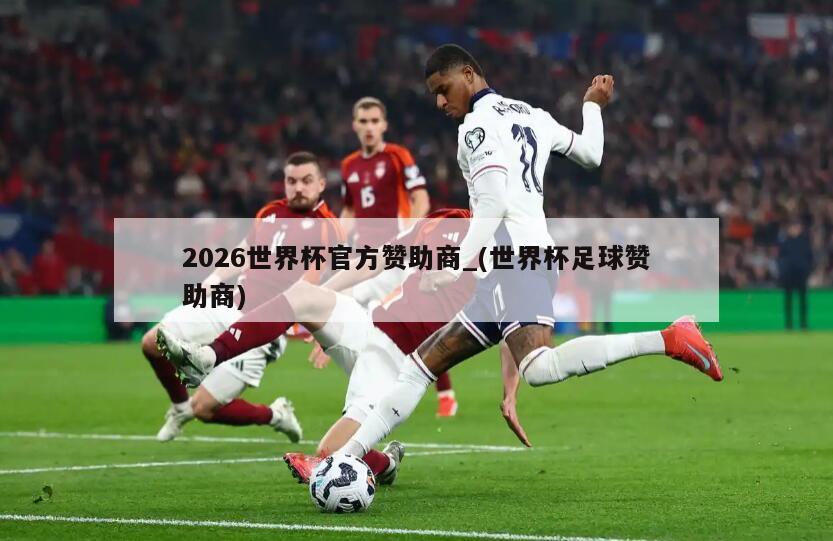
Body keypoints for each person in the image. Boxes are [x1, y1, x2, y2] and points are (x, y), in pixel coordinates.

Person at [326, 44, 724, 461]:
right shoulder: (533, 115)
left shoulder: (475, 127)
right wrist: (592, 106)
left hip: (513, 260)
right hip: (515, 263)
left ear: (468, 74)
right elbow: (591, 154)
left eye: (443, 89)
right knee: (418, 367)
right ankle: (344, 459)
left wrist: (454, 266)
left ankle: (669, 338)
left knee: (538, 367)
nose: (440, 102)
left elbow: (493, 202)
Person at [157, 209, 500, 484]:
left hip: (400, 363)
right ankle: (207, 356)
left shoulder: (503, 246)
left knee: (331, 451)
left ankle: (384, 464)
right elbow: (374, 259)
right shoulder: (443, 220)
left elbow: (509, 324)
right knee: (304, 295)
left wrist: (509, 390)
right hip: (369, 326)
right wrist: (325, 306)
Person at [141, 151, 340, 442]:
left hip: (263, 328)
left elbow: (311, 284)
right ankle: (180, 408)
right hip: (230, 302)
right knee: (152, 343)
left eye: (306, 181)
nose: (298, 188)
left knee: (204, 409)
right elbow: (245, 251)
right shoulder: (270, 212)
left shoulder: (327, 227)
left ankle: (275, 415)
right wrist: (214, 279)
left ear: (321, 184)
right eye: (292, 181)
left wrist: (322, 333)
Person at [340, 96, 458, 417]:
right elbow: (350, 210)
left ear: (384, 125)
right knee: (358, 323)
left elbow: (421, 198)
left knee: (417, 323)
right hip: (365, 257)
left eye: (374, 121)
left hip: (396, 255)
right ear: (354, 125)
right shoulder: (349, 165)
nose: (369, 127)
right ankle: (371, 391)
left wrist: (412, 235)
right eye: (363, 121)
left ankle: (445, 393)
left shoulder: (397, 156)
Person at [778, 220, 813, 330]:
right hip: (789, 274)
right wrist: (783, 272)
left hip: (801, 274)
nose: (795, 229)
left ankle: (803, 323)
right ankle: (789, 324)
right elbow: (781, 258)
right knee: (788, 300)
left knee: (803, 300)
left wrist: (807, 270)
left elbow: (810, 257)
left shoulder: (805, 241)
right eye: (793, 227)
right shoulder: (785, 242)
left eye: (797, 227)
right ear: (789, 229)